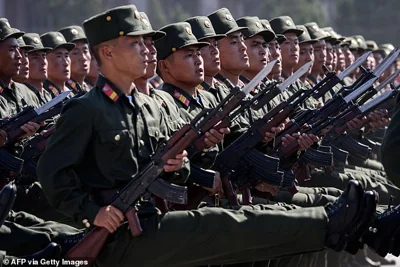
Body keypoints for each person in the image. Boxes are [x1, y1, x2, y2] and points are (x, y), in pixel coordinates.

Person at [37, 5, 376, 267]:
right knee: (224, 225)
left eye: (146, 43)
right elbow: (51, 174)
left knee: (244, 223)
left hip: (156, 218)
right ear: (107, 53)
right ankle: (330, 221)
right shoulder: (86, 109)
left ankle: (341, 224)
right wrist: (92, 213)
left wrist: (178, 164)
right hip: (119, 236)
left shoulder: (148, 106)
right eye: (135, 43)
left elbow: (177, 173)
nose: (146, 51)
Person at [40, 31, 75, 97]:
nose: (66, 63)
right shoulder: (46, 95)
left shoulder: (73, 91)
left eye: (66, 56)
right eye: (59, 56)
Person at [22, 33, 53, 104]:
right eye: (35, 57)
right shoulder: (23, 97)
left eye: (44, 56)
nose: (43, 62)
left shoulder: (48, 95)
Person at [59, 25, 91, 93]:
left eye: (85, 51)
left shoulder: (90, 89)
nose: (83, 58)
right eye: (75, 53)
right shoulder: (63, 93)